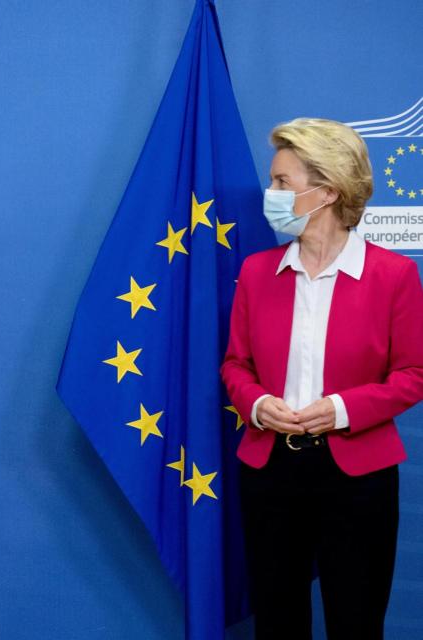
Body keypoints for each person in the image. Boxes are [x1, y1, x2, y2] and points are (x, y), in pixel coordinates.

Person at [221, 118, 423, 639]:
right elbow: (234, 365)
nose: (271, 193)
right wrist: (258, 404)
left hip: (357, 476)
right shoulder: (256, 272)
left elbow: (414, 374)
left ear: (328, 191)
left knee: (356, 621)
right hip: (268, 471)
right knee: (278, 620)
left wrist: (342, 409)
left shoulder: (393, 276)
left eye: (283, 183)